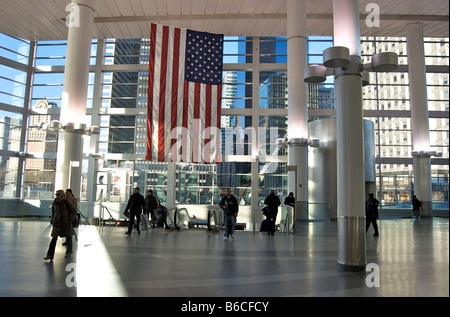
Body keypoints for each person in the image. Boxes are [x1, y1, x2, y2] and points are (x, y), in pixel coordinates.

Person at [44, 190, 77, 261]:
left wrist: (70, 219)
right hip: (57, 223)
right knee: (54, 239)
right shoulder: (55, 202)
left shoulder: (66, 202)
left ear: (62, 195)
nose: (57, 196)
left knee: (68, 237)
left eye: (59, 195)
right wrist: (53, 220)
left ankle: (69, 251)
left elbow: (74, 210)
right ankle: (50, 255)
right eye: (56, 195)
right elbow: (53, 212)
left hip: (66, 223)